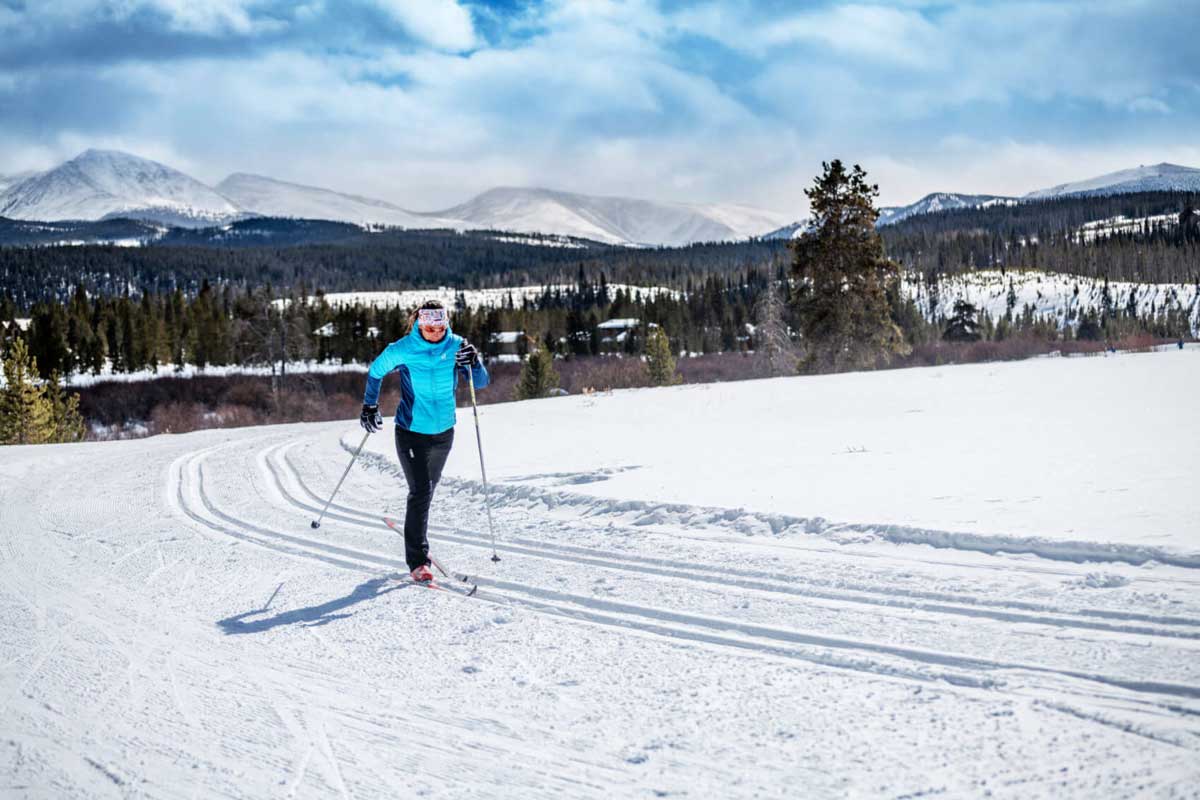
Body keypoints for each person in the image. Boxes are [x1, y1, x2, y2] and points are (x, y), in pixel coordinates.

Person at [360, 300, 488, 583]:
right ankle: (418, 560)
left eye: (440, 327)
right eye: (429, 327)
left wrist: (474, 361)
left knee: (427, 491)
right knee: (420, 491)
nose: (434, 332)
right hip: (411, 432)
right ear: (419, 323)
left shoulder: (457, 345)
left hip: (444, 432)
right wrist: (370, 405)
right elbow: (376, 372)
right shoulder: (403, 349)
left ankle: (415, 533)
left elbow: (479, 382)